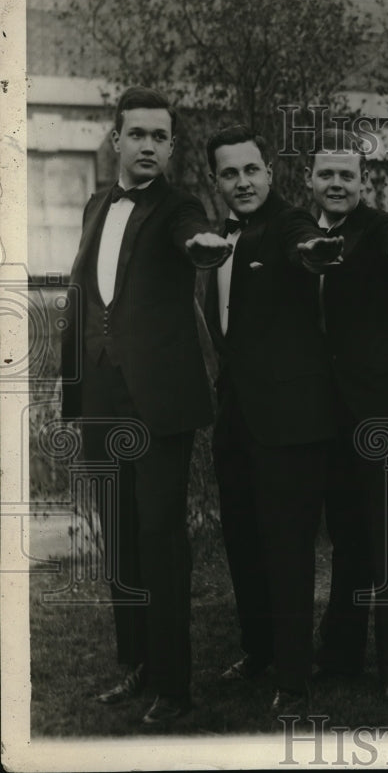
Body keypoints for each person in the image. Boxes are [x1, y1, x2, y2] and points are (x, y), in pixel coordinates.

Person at [60, 86, 233, 725]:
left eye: (161, 137)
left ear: (172, 147)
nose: (149, 145)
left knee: (161, 540)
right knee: (121, 540)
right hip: (101, 398)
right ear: (116, 139)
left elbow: (193, 238)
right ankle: (134, 664)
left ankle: (173, 687)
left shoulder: (179, 207)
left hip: (158, 404)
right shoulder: (95, 205)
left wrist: (205, 247)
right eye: (138, 134)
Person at [202, 125, 341, 711]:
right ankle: (258, 651)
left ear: (270, 172)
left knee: (286, 550)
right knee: (243, 543)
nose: (243, 182)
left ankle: (292, 677)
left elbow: (304, 241)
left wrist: (314, 250)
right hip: (235, 419)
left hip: (290, 423)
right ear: (216, 180)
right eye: (230, 173)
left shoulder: (289, 224)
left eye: (251, 170)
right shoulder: (217, 240)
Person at [305, 130, 388, 704]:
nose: (336, 184)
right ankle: (341, 655)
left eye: (347, 175)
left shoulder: (380, 228)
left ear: (364, 181)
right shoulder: (301, 236)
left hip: (387, 416)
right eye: (326, 174)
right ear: (310, 179)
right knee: (347, 540)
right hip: (329, 416)